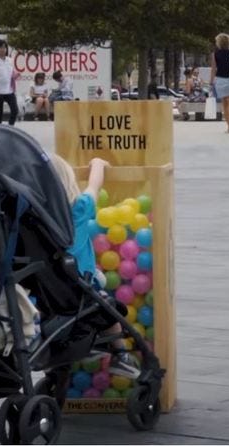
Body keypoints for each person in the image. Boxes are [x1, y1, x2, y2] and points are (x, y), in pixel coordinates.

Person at [50, 155, 140, 378]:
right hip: (79, 290)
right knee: (107, 307)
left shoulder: (35, 219)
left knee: (96, 282)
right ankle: (120, 355)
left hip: (48, 292)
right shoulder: (78, 209)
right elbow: (94, 186)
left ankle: (89, 344)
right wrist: (98, 164)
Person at [211, 33, 229, 133]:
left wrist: (211, 81)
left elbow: (214, 69)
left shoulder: (215, 54)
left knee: (225, 104)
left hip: (220, 79)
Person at [0, 39, 20, 125]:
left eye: (4, 47)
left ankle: (10, 126)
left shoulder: (10, 60)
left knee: (15, 110)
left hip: (9, 91)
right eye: (0, 47)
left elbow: (11, 73)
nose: (3, 49)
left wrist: (15, 76)